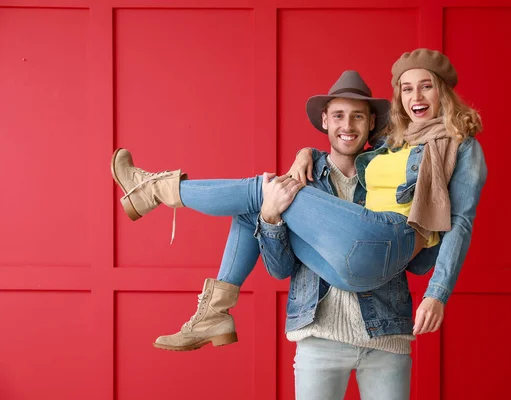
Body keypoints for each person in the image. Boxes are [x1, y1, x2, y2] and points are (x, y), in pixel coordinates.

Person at [111, 48, 486, 356]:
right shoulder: (395, 142)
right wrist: (306, 151)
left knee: (263, 188)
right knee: (257, 207)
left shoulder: (460, 144)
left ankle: (153, 189)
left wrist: (437, 295)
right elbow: (348, 143)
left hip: (394, 239)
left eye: (425, 87)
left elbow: (461, 221)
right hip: (358, 267)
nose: (416, 97)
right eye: (406, 89)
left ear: (443, 92)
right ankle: (215, 312)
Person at [256, 70, 439, 400]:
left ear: (371, 123)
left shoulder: (395, 177)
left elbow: (421, 264)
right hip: (319, 339)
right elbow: (280, 269)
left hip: (386, 339)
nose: (347, 126)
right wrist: (270, 217)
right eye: (338, 115)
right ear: (325, 120)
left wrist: (431, 213)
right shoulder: (302, 183)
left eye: (358, 116)